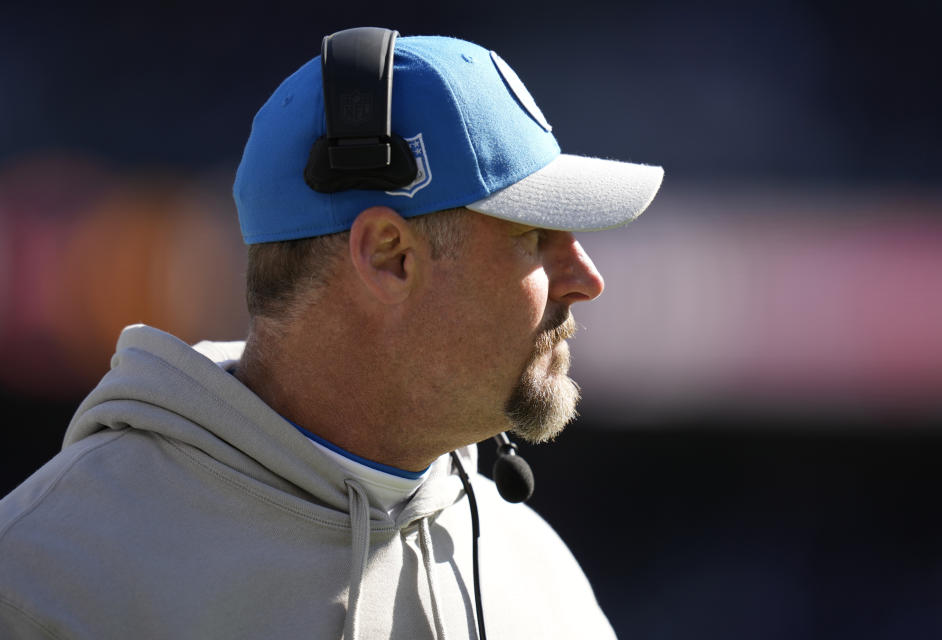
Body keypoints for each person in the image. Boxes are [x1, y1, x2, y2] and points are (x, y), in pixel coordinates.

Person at [0, 29, 663, 639]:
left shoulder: (539, 576)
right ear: (388, 256)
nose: (586, 277)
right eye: (534, 236)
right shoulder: (46, 579)